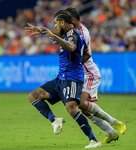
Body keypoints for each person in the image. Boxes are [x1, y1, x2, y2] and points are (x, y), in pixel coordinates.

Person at [26, 10, 102, 148]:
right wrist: (43, 31)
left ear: (62, 22)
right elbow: (87, 53)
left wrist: (75, 65)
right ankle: (55, 120)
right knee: (34, 96)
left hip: (72, 79)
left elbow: (72, 47)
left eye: (55, 23)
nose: (54, 26)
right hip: (61, 78)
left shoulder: (73, 34)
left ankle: (94, 140)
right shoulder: (68, 34)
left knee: (72, 108)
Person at [65, 7, 126, 144]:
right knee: (84, 108)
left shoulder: (81, 34)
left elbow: (83, 56)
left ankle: (115, 122)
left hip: (89, 73)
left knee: (81, 103)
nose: (63, 23)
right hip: (82, 74)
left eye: (65, 20)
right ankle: (110, 132)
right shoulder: (75, 31)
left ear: (73, 20)